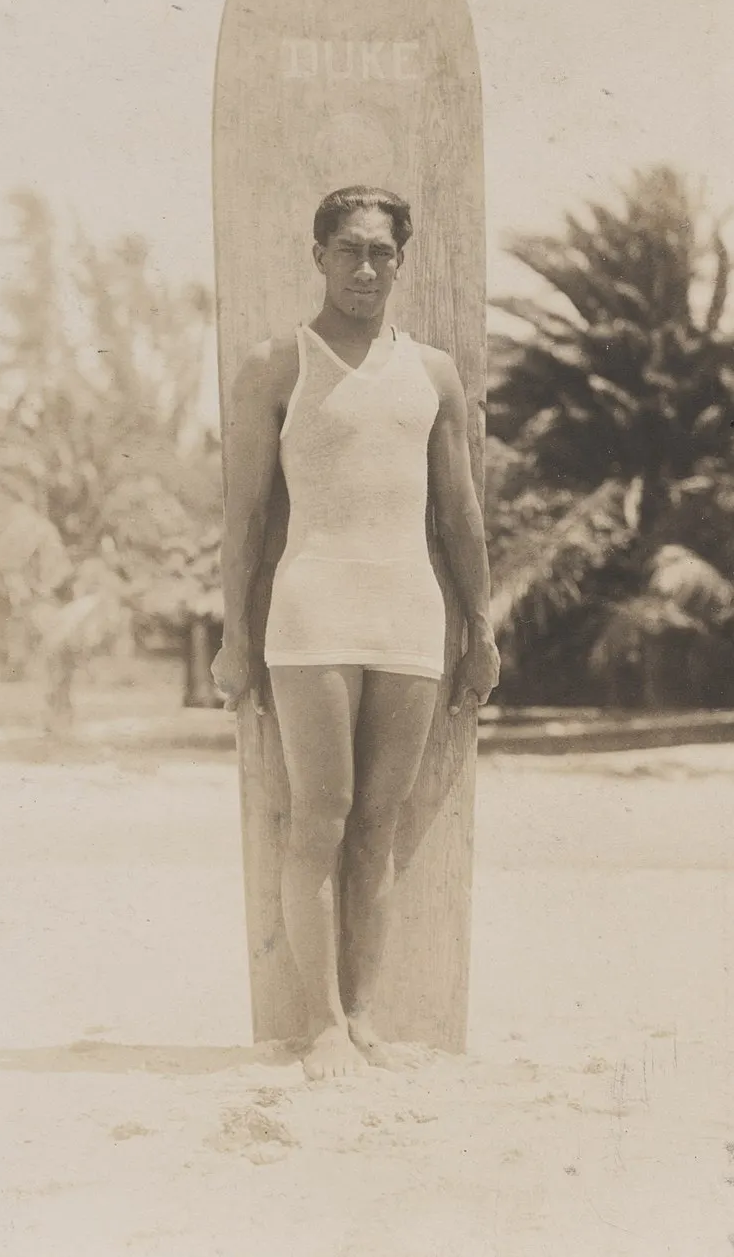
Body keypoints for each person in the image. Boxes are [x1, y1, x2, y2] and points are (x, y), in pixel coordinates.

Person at [211, 185, 499, 1081]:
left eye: (382, 252)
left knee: (378, 823)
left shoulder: (436, 373)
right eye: (349, 250)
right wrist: (232, 636)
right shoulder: (276, 365)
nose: (366, 268)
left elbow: (459, 516)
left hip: (409, 609)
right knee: (319, 819)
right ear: (319, 256)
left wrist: (481, 629)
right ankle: (322, 1025)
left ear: (401, 260)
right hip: (311, 606)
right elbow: (246, 520)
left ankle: (367, 1015)